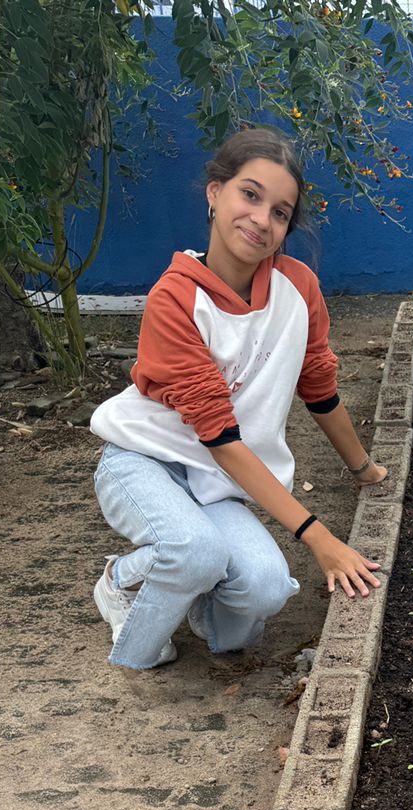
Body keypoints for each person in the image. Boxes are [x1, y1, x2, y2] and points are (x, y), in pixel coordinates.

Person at [89, 127, 384, 671]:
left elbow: (317, 386)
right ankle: (121, 592)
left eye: (280, 212)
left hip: (214, 482)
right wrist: (319, 538)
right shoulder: (174, 298)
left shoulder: (298, 289)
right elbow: (221, 437)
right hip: (143, 461)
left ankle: (192, 593)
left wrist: (364, 467)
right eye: (249, 195)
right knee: (194, 552)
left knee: (266, 592)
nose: (261, 220)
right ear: (214, 192)